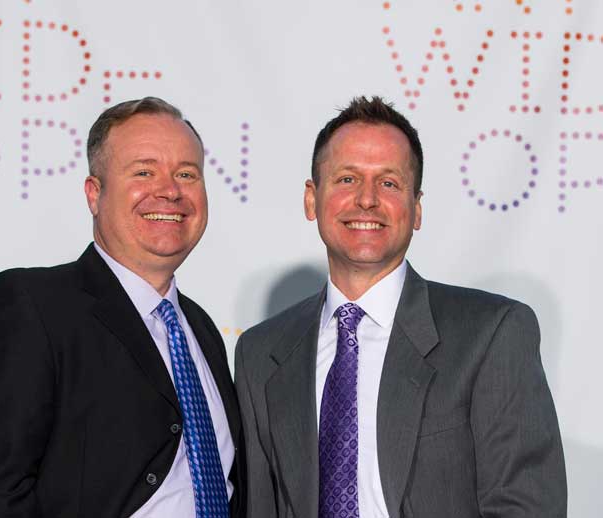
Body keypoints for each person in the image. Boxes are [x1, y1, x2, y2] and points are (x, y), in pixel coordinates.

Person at [234, 96, 566, 518]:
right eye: (347, 180)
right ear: (311, 199)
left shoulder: (493, 333)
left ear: (417, 208)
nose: (367, 200)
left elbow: (527, 507)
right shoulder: (260, 353)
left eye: (389, 183)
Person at [0, 97, 244, 518]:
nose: (170, 191)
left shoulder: (200, 329)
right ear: (94, 193)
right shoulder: (30, 306)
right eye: (144, 172)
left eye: (186, 174)